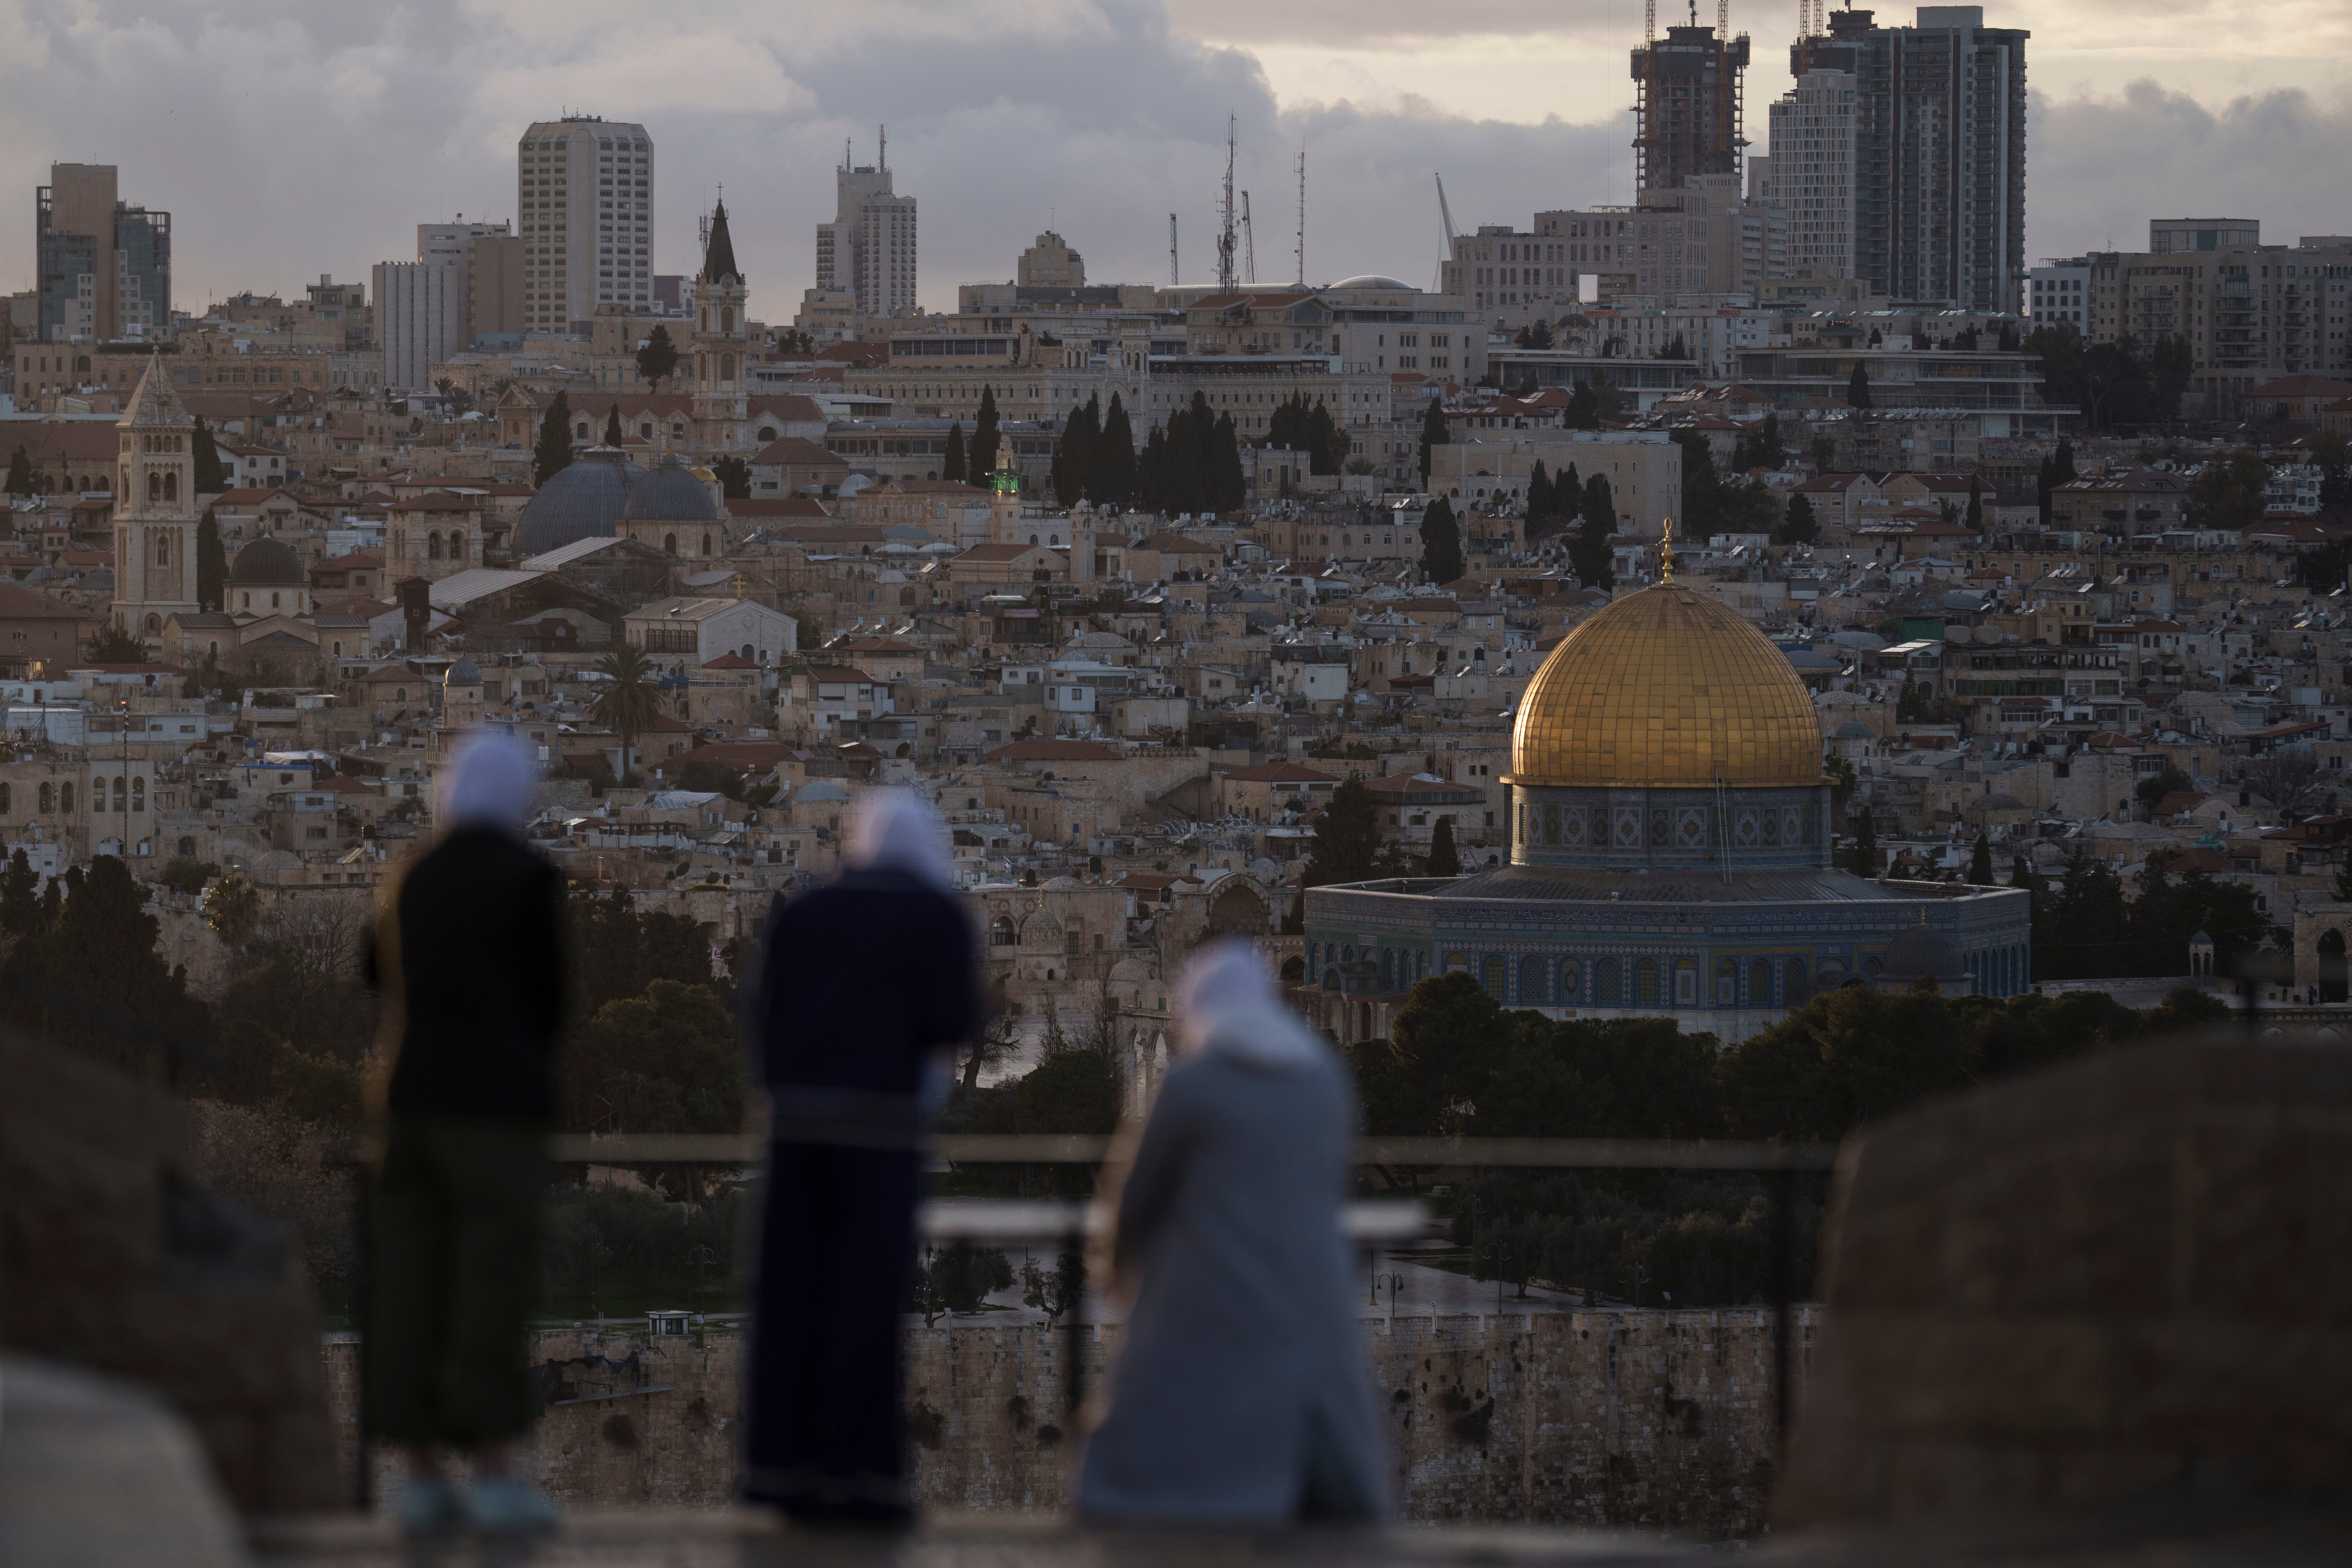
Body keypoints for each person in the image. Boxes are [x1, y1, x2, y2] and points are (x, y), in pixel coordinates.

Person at [1076, 942, 1390, 1525]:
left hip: (1210, 1284)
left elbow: (1137, 1193)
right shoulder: (1325, 1078)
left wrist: (1115, 1268)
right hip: (1309, 1284)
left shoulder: (1193, 1084)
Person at [741, 789, 980, 1526]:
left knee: (792, 1297)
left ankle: (781, 1470)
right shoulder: (936, 916)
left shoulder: (806, 910)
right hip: (881, 1133)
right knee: (868, 1303)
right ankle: (866, 1477)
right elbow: (954, 1020)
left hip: (797, 1130)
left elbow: (758, 1013)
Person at [368, 729, 566, 1536]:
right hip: (497, 1108)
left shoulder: (412, 874)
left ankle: (417, 1475)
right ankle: (491, 1471)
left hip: (411, 1098)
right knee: (491, 1278)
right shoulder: (527, 878)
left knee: (410, 1277)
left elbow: (372, 972)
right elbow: (553, 995)